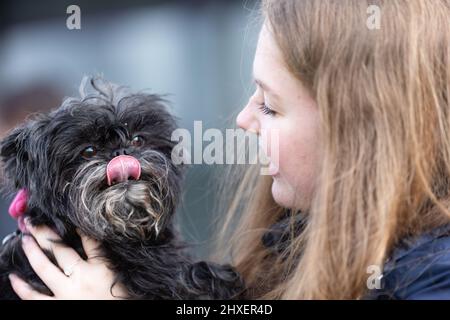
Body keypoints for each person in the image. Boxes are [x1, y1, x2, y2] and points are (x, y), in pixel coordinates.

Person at [8, 0, 450, 300]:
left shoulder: (432, 276)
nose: (242, 119)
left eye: (271, 105)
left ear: (356, 124)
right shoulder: (287, 247)